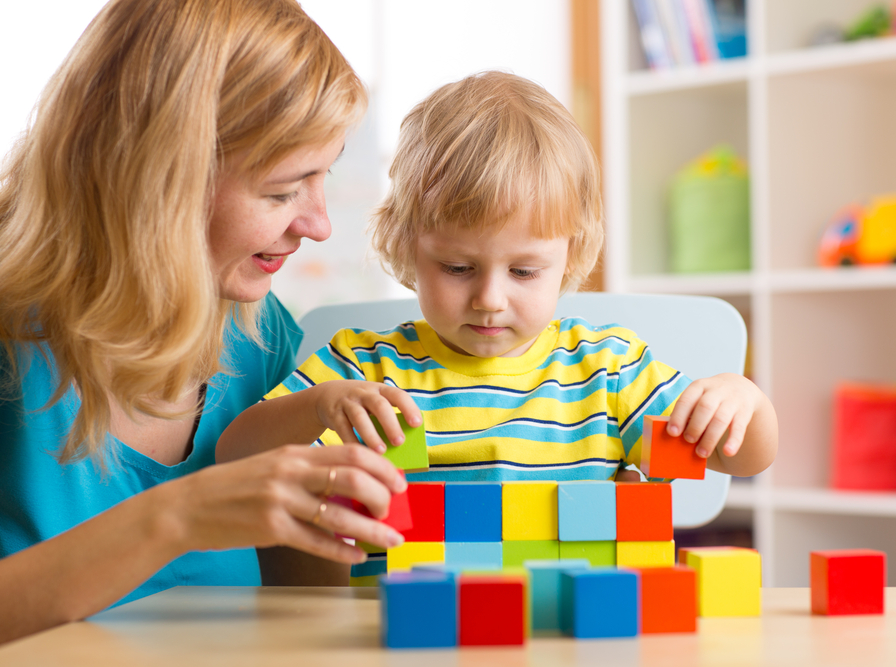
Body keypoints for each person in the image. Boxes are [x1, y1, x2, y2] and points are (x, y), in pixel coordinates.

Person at [0, 1, 410, 665]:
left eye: (324, 177)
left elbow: (314, 608)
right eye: (283, 190)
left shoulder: (258, 332)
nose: (317, 224)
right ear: (162, 179)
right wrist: (178, 515)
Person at [216, 72, 778, 580]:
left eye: (525, 271)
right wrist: (318, 405)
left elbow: (744, 457)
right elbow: (233, 457)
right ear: (407, 246)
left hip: (568, 632)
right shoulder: (364, 369)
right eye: (457, 268)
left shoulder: (608, 370)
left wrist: (742, 399)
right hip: (411, 629)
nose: (489, 299)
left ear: (570, 254)